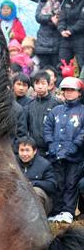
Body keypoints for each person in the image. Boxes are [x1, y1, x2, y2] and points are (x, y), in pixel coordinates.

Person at [44, 77, 84, 223]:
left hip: (75, 156)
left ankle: (68, 211)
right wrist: (51, 144)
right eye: (66, 90)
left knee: (71, 183)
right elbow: (48, 127)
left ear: (79, 93)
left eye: (72, 90)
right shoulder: (56, 110)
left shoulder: (82, 111)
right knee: (58, 182)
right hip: (56, 155)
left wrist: (75, 145)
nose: (68, 93)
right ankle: (57, 211)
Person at [17, 136, 57, 215]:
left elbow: (52, 186)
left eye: (27, 150)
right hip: (17, 200)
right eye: (22, 150)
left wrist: (33, 183)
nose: (24, 154)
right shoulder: (13, 163)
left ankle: (35, 221)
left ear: (34, 151)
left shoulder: (44, 164)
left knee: (35, 192)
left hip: (42, 203)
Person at [25, 70, 59, 157]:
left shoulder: (56, 104)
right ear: (33, 85)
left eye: (43, 83)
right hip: (34, 150)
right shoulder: (30, 105)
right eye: (37, 83)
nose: (40, 87)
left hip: (52, 150)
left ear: (49, 85)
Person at [35, 0, 64, 69]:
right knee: (43, 70)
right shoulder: (42, 1)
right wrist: (50, 18)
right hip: (42, 43)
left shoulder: (62, 3)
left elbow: (63, 20)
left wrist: (56, 22)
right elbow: (38, 17)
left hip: (56, 43)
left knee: (55, 70)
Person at [58, 0, 84, 77]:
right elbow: (62, 18)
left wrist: (71, 30)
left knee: (81, 64)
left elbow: (82, 21)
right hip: (65, 38)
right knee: (62, 65)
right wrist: (61, 30)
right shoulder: (66, 1)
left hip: (80, 38)